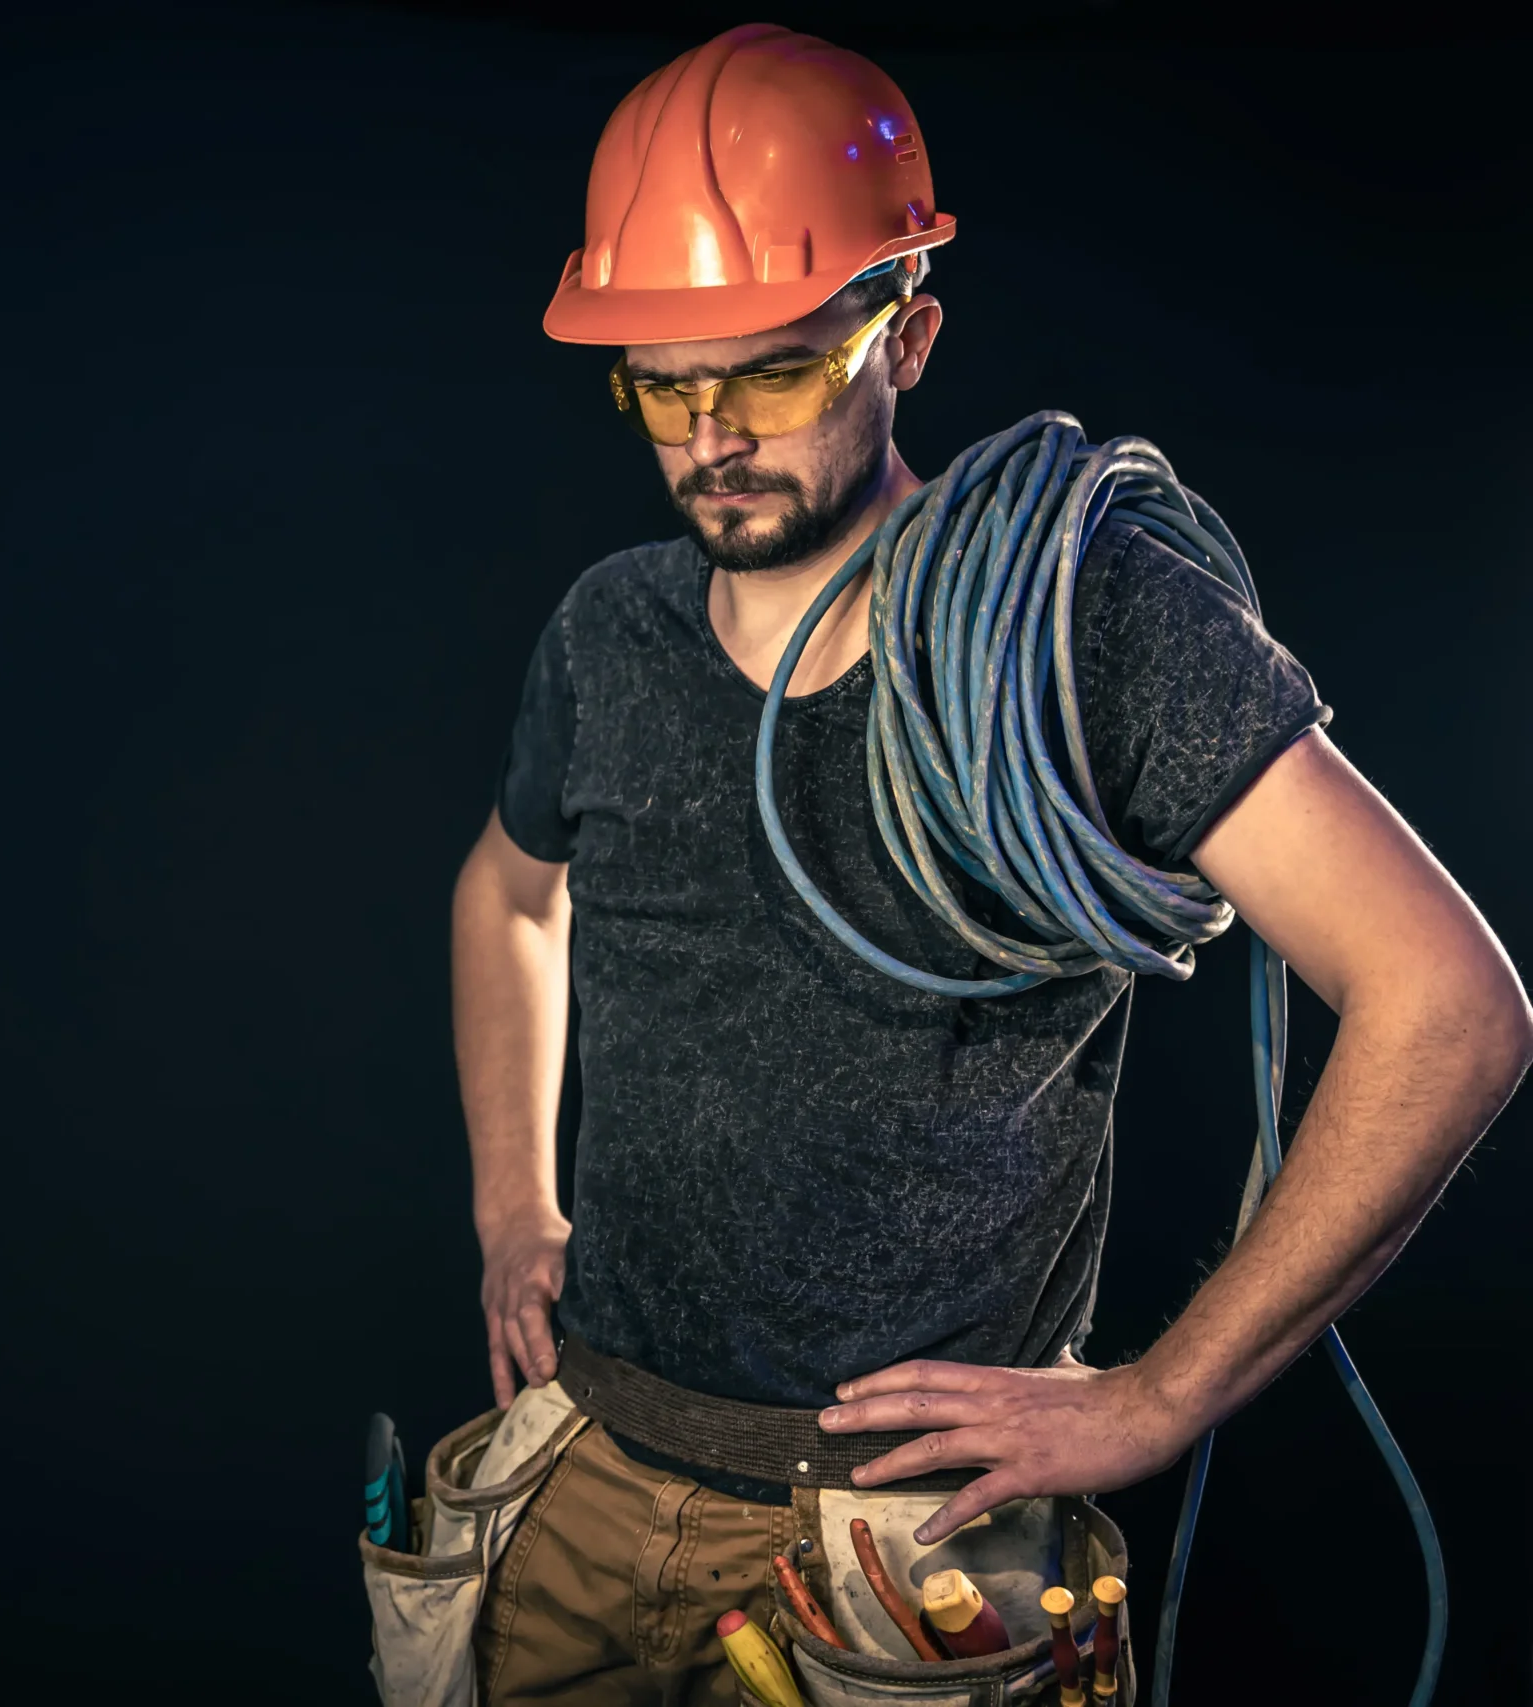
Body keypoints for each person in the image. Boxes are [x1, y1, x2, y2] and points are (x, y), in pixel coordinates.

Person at [449, 23, 1533, 1705]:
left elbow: (1450, 1005)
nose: (712, 436)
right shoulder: (611, 628)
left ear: (911, 335)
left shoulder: (1085, 628)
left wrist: (1162, 1393)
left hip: (895, 1562)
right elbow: (510, 892)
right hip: (589, 1480)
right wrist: (516, 1204)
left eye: (777, 370)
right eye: (662, 385)